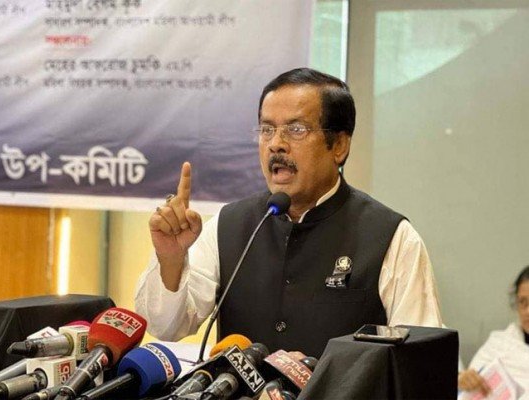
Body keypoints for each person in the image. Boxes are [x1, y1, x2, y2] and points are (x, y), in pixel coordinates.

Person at [135, 67, 442, 356]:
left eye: (296, 129)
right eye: (267, 129)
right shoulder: (229, 225)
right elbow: (167, 327)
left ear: (339, 146)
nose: (276, 144)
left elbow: (419, 359)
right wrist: (171, 259)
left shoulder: (391, 238)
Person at [458, 266, 529, 396]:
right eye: (523, 302)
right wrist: (464, 381)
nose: (527, 311)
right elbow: (468, 390)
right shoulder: (498, 344)